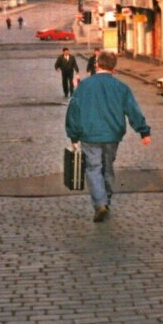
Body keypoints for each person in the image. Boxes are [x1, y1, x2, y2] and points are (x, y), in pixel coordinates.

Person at [65, 51, 151, 223]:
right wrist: (144, 131)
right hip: (112, 134)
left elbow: (73, 111)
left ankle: (100, 202)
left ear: (97, 65)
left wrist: (73, 136)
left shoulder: (84, 86)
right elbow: (132, 110)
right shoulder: (121, 87)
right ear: (114, 66)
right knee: (107, 167)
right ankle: (106, 199)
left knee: (93, 168)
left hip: (89, 134)